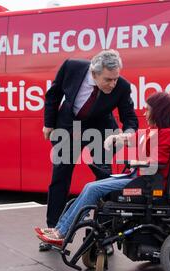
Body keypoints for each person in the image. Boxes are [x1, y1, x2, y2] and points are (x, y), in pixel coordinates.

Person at [35, 92, 170, 246]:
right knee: (90, 187)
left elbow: (157, 162)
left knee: (93, 189)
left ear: (159, 112)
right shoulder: (156, 131)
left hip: (146, 185)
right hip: (140, 179)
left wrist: (134, 161)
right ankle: (60, 229)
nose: (144, 113)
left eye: (148, 110)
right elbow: (135, 137)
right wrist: (117, 137)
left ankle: (62, 232)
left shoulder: (167, 134)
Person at [43, 50, 138, 231]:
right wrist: (48, 124)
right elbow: (53, 95)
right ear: (94, 74)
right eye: (108, 80)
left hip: (101, 130)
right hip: (69, 127)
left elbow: (130, 117)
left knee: (105, 179)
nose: (113, 84)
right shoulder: (71, 67)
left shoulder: (122, 87)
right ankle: (53, 227)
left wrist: (127, 133)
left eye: (115, 78)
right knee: (60, 177)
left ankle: (103, 231)